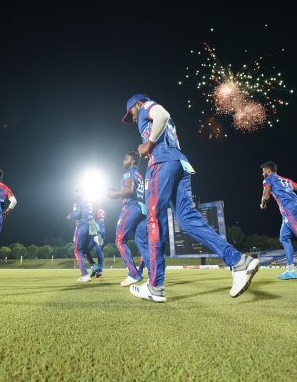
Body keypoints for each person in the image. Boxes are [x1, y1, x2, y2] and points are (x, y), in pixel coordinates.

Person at [122, 94, 259, 302]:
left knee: (154, 220)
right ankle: (239, 261)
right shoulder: (152, 118)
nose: (132, 118)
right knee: (187, 219)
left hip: (161, 164)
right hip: (180, 163)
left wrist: (148, 144)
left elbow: (162, 114)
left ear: (138, 104)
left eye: (131, 112)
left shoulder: (145, 108)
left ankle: (155, 286)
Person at [108, 151, 147, 287]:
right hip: (142, 208)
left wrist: (115, 194)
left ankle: (134, 274)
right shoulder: (139, 174)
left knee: (119, 240)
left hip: (131, 207)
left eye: (126, 159)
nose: (123, 161)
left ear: (133, 161)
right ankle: (151, 273)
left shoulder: (128, 173)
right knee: (142, 243)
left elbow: (129, 190)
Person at [66, 189, 95, 282]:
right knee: (85, 250)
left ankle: (85, 274)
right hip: (91, 226)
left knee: (77, 250)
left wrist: (70, 215)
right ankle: (94, 267)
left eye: (77, 192)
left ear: (81, 193)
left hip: (82, 226)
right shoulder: (89, 202)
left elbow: (77, 213)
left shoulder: (78, 201)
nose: (76, 194)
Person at [85, 206, 106, 278]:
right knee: (98, 250)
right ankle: (96, 269)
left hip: (97, 230)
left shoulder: (94, 208)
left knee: (91, 250)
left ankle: (97, 269)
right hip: (101, 230)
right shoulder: (103, 210)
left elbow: (90, 219)